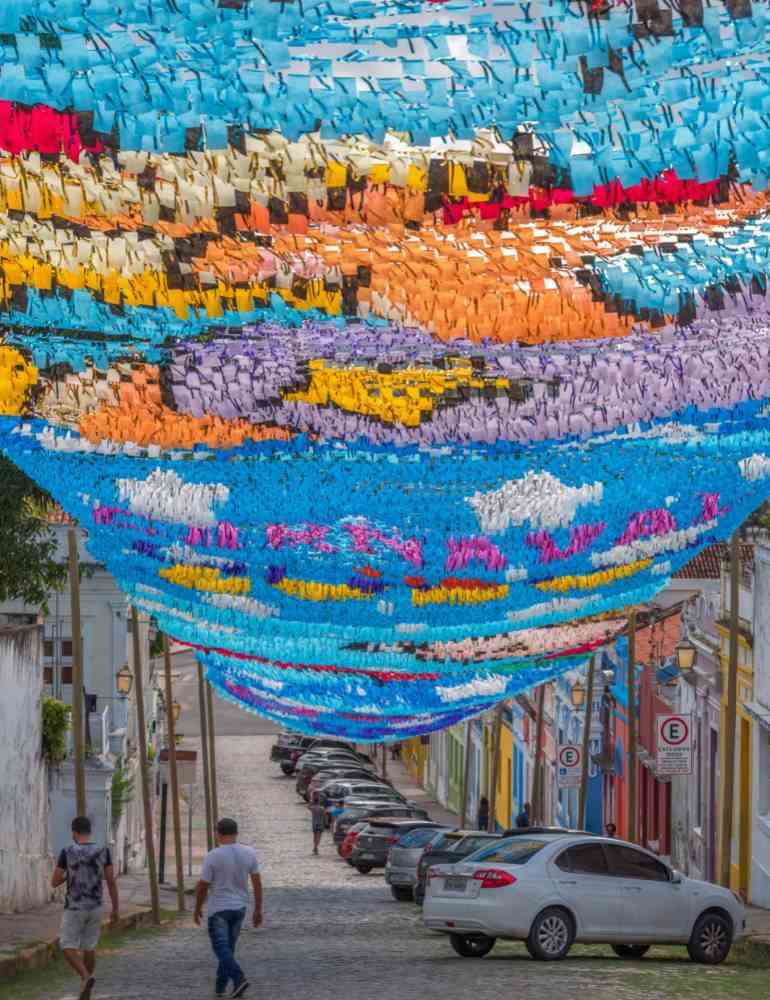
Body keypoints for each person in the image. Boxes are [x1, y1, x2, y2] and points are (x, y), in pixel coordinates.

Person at [51, 815, 119, 1000]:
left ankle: (85, 976)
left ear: (74, 832)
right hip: (96, 906)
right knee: (89, 947)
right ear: (89, 832)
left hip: (75, 907)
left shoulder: (67, 851)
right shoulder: (103, 851)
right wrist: (115, 908)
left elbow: (54, 881)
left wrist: (69, 875)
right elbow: (111, 881)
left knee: (66, 945)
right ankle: (86, 992)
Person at [194, 818, 263, 999]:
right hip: (239, 907)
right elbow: (257, 883)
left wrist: (197, 907)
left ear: (219, 833)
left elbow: (202, 885)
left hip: (219, 909)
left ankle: (239, 978)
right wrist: (258, 909)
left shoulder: (214, 855)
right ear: (236, 832)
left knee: (221, 948)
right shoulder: (249, 853)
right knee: (228, 948)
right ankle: (220, 986)